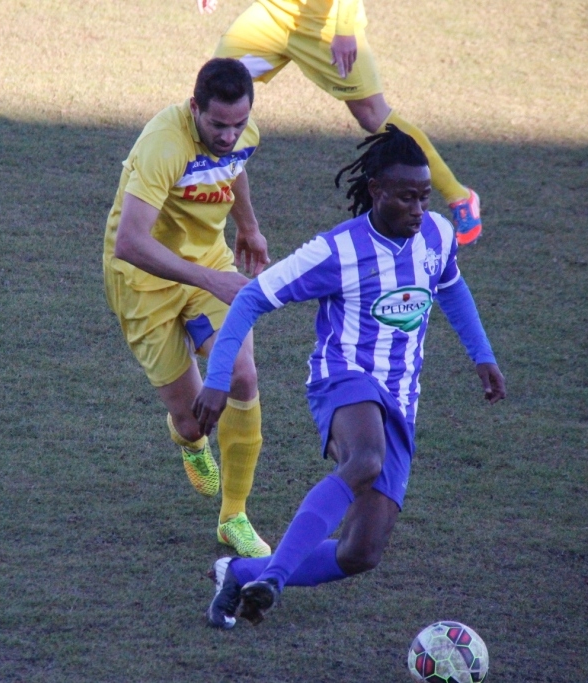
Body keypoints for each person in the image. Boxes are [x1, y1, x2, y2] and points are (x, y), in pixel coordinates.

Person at [194, 125, 506, 628]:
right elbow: (251, 297)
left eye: (425, 197)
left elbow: (450, 284)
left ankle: (241, 573)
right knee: (363, 458)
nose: (418, 209)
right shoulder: (336, 252)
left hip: (402, 399)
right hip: (344, 379)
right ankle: (273, 580)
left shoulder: (437, 235)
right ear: (377, 190)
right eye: (407, 198)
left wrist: (482, 354)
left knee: (361, 552)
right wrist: (216, 376)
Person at [102, 58, 272, 558]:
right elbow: (129, 243)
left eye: (238, 123)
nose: (228, 134)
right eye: (218, 124)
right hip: (142, 283)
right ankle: (190, 441)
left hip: (207, 267)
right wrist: (210, 278)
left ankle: (233, 516)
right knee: (196, 419)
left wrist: (249, 227)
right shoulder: (164, 144)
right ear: (194, 106)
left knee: (241, 375)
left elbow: (233, 167)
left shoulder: (242, 132)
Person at [196, 0, 484, 246]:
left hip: (327, 21)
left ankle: (460, 196)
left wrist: (344, 29)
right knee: (216, 85)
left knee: (373, 115)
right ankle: (196, 191)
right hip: (274, 12)